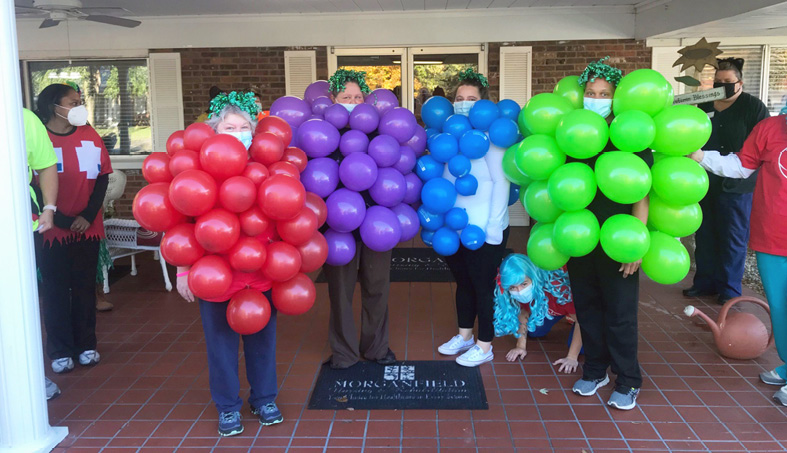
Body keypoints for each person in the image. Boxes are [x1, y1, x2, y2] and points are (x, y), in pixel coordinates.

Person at [175, 91, 281, 437]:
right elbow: (182, 224)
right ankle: (227, 406)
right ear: (215, 129)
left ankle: (264, 398)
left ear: (254, 132)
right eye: (229, 127)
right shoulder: (197, 171)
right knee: (220, 346)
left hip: (260, 271)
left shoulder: (267, 167)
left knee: (262, 343)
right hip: (214, 276)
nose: (237, 133)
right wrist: (183, 271)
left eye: (244, 127)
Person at [565, 58, 651, 410]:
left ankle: (628, 379)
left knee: (619, 313)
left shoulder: (631, 139)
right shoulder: (572, 138)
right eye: (590, 92)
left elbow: (642, 195)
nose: (596, 98)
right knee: (587, 307)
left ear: (616, 99)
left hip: (620, 239)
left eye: (603, 94)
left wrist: (637, 244)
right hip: (581, 237)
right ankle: (596, 369)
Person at [689, 108, 787, 406]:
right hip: (772, 238)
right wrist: (701, 157)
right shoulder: (769, 128)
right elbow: (741, 166)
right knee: (780, 306)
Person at [34, 83, 112, 375]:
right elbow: (34, 184)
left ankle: (86, 345)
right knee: (54, 290)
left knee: (83, 288)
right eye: (72, 102)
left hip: (87, 227)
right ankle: (59, 349)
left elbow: (102, 177)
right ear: (54, 106)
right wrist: (64, 220)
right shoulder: (39, 138)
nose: (78, 106)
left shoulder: (89, 134)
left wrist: (88, 216)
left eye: (80, 101)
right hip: (51, 228)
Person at [322, 69, 397, 369]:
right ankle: (344, 352)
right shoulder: (322, 134)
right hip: (339, 225)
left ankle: (377, 348)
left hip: (377, 221)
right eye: (345, 97)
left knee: (377, 285)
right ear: (332, 100)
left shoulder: (380, 132)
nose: (352, 102)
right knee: (340, 290)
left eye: (357, 97)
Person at [437, 69, 511, 367]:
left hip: (484, 231)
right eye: (459, 99)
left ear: (483, 104)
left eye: (471, 99)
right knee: (463, 284)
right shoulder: (447, 136)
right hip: (455, 228)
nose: (464, 104)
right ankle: (465, 336)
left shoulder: (492, 140)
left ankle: (484, 345)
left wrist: (491, 230)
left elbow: (501, 186)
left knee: (483, 287)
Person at [684, 58, 770, 305]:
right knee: (705, 233)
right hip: (704, 180)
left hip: (737, 185)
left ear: (740, 83)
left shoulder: (753, 108)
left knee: (732, 237)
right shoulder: (704, 103)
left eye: (728, 82)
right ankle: (704, 282)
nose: (722, 86)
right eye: (718, 82)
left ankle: (730, 289)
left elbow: (761, 146)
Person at [23, 108, 61, 401]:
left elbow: (47, 164)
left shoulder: (20, 117)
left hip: (18, 219)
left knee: (19, 301)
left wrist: (49, 207)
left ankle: (28, 373)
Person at [492, 254, 582, 373]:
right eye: (513, 287)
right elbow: (523, 312)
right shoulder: (513, 295)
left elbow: (582, 320)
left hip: (580, 313)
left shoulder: (558, 288)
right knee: (534, 331)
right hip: (550, 308)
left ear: (533, 277)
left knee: (580, 348)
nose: (520, 291)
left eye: (524, 284)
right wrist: (520, 347)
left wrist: (571, 357)